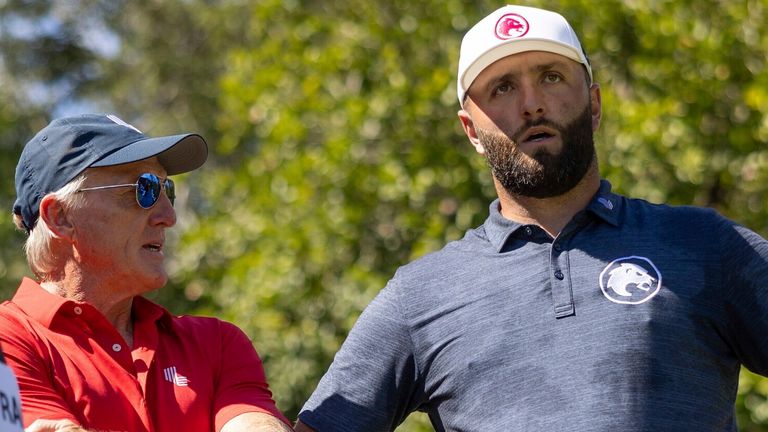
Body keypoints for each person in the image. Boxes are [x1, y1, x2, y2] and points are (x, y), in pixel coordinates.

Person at [295, 4, 768, 431]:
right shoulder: (419, 296)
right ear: (470, 131)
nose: (531, 103)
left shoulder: (705, 244)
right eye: (502, 87)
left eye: (551, 77)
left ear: (595, 104)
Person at [0, 114, 294, 432]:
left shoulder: (218, 343)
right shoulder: (9, 341)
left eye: (166, 188)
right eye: (144, 189)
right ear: (61, 217)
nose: (168, 216)